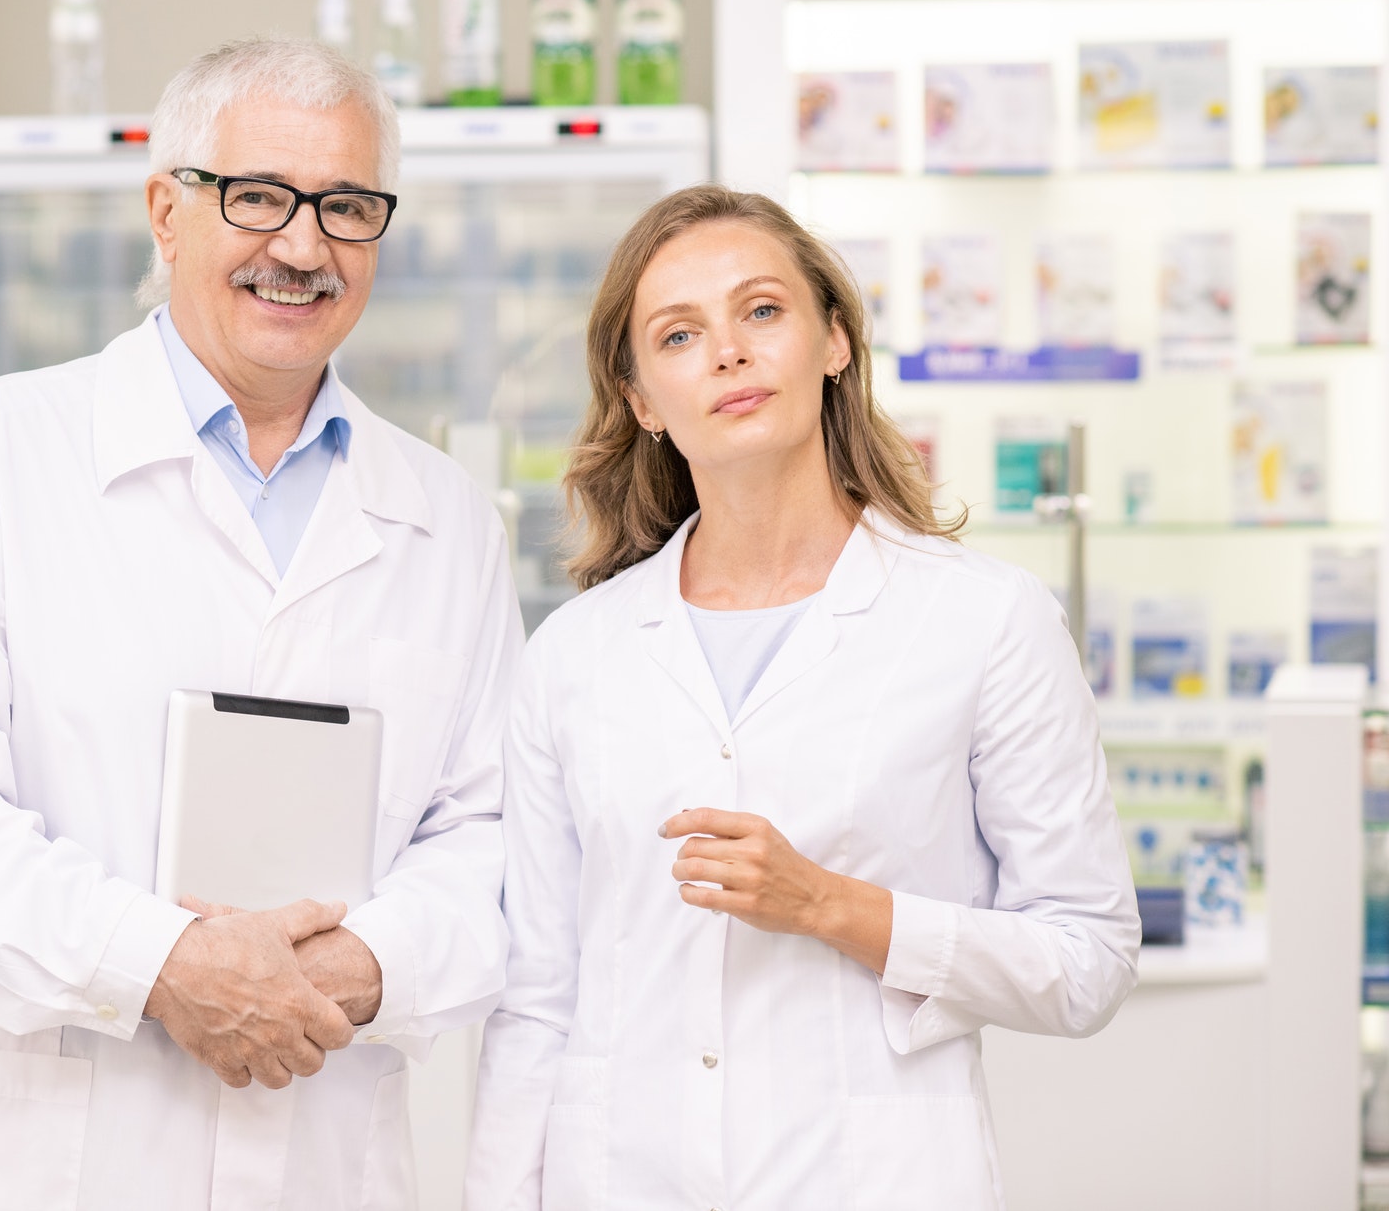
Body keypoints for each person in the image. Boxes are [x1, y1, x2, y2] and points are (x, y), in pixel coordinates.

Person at [0, 37, 521, 1211]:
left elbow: (492, 832)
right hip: (29, 1161)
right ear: (167, 211)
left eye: (347, 208)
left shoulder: (446, 521)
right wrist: (162, 964)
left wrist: (361, 966)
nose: (301, 247)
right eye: (257, 197)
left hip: (319, 1150)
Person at [464, 185, 1139, 1210]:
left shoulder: (983, 622)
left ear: (832, 339)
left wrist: (832, 906)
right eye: (678, 334)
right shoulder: (573, 658)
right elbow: (535, 1001)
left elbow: (1087, 958)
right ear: (642, 398)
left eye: (761, 311)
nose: (727, 352)